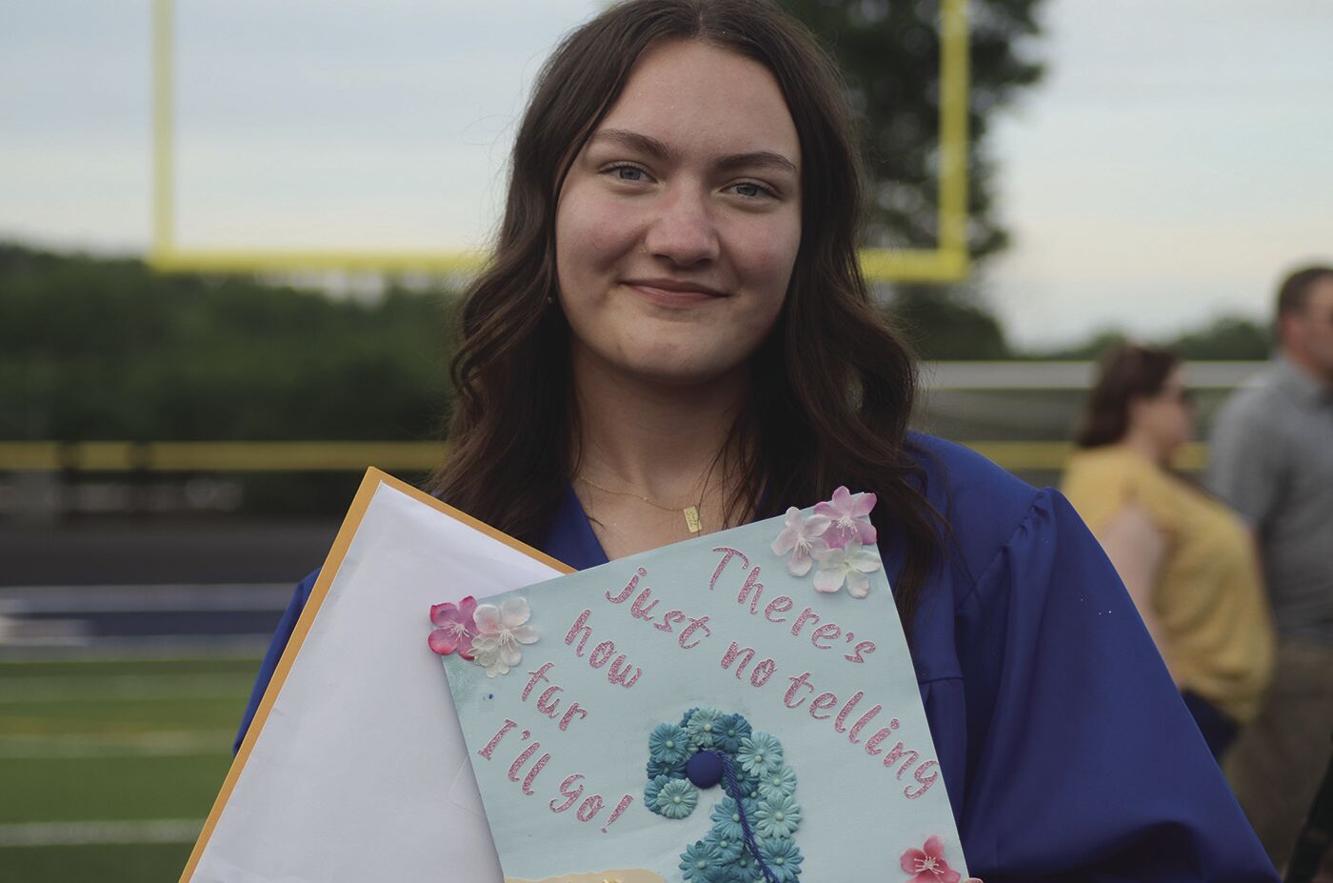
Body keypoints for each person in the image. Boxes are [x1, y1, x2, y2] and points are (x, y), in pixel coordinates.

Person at [237, 1, 1276, 878]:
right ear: (546, 204)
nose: (684, 235)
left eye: (748, 186)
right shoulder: (401, 597)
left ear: (808, 235)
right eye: (629, 171)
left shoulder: (981, 545)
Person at [1060, 343, 1275, 759]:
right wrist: (1169, 717)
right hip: (1180, 709)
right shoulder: (1118, 478)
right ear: (1140, 405)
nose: (1191, 410)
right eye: (1181, 396)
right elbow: (1124, 608)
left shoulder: (1147, 476)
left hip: (1198, 708)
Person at [1208, 265, 1333, 873]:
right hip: (1293, 658)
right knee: (1270, 832)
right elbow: (1233, 540)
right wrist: (1261, 651)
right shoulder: (1257, 415)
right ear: (1292, 326)